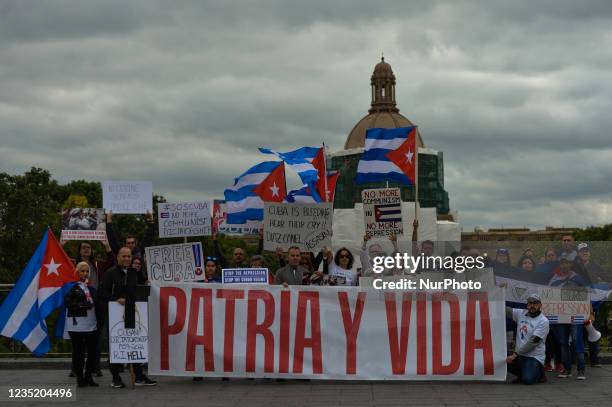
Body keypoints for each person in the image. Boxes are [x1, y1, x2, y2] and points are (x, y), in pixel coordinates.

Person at [99, 247, 156, 388]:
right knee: (116, 345)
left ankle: (138, 376)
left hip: (133, 315)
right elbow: (101, 293)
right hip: (115, 317)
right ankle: (116, 377)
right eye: (123, 256)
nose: (126, 259)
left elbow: (136, 291)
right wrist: (115, 299)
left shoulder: (133, 273)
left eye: (129, 256)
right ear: (118, 257)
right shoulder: (110, 273)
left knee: (135, 343)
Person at [549, 257, 588, 379]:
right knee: (563, 343)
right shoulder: (553, 280)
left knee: (577, 341)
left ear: (570, 264)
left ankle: (581, 370)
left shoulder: (578, 278)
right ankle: (567, 369)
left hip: (576, 315)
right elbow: (549, 297)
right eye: (562, 263)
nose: (564, 265)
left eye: (566, 263)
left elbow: (586, 294)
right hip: (560, 317)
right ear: (559, 265)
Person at [65, 262, 102, 387]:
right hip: (77, 325)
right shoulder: (71, 286)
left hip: (92, 324)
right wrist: (82, 305)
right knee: (78, 353)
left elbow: (98, 303)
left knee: (93, 352)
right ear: (77, 272)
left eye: (87, 271)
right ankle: (80, 377)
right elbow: (68, 303)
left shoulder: (91, 288)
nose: (85, 273)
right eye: (82, 271)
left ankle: (88, 376)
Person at [505, 293, 549, 385]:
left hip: (533, 357)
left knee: (528, 380)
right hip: (520, 355)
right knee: (501, 358)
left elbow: (533, 342)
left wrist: (515, 355)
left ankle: (540, 373)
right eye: (530, 303)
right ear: (527, 304)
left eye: (535, 303)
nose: (532, 306)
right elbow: (506, 310)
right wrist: (493, 301)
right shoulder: (521, 313)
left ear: (540, 305)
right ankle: (524, 373)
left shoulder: (543, 321)